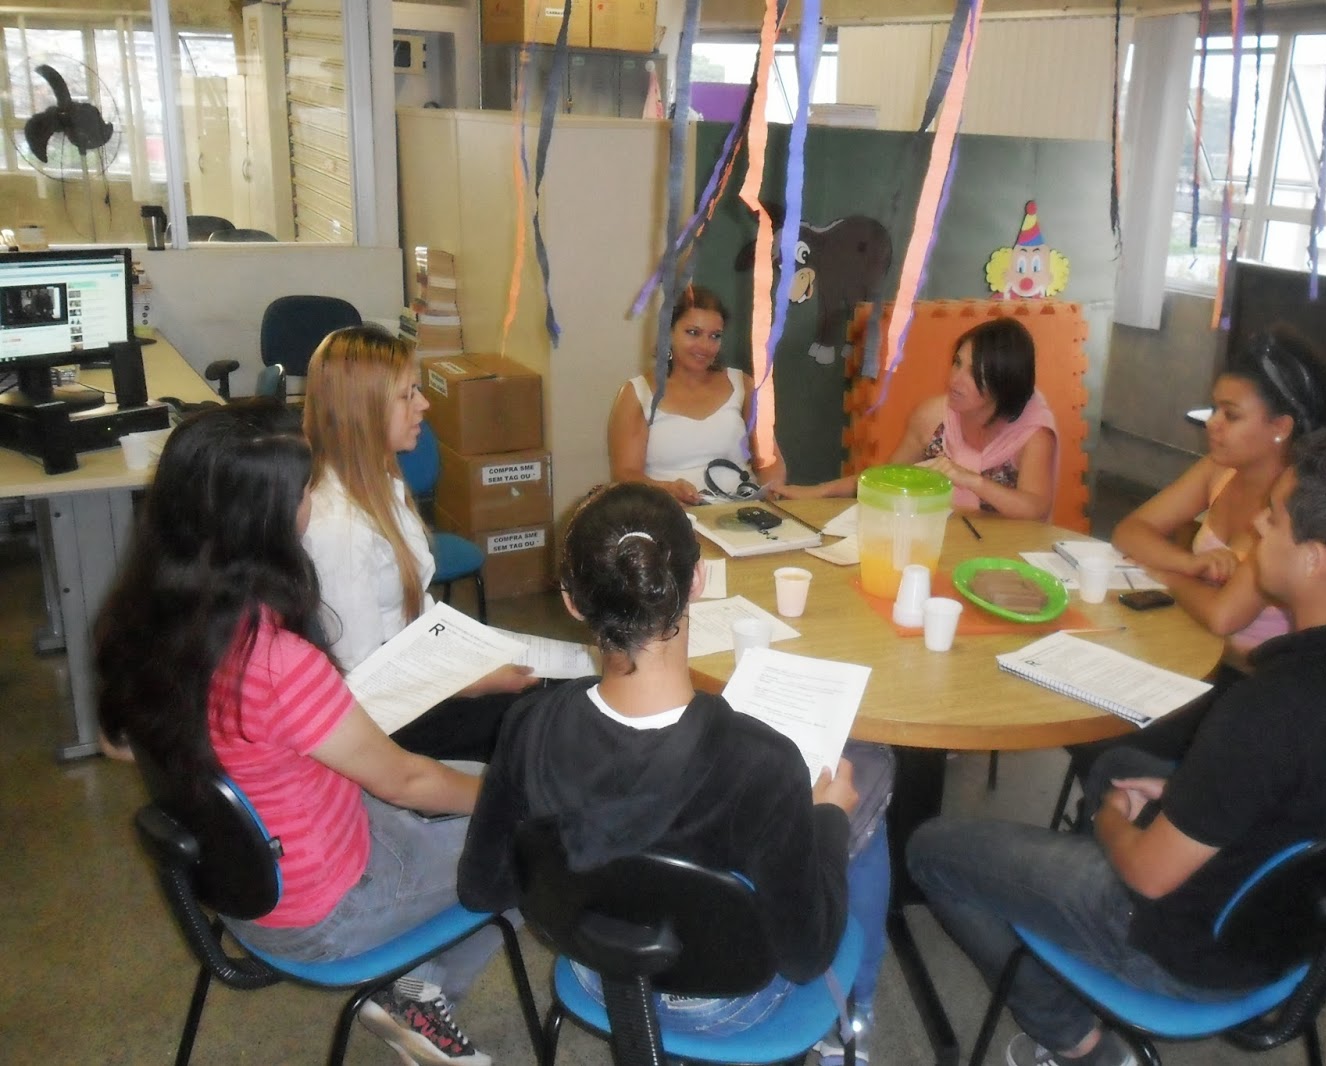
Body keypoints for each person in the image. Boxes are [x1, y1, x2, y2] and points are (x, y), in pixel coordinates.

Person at [908, 427, 1326, 1066]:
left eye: (1275, 518)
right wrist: (1186, 795)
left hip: (1188, 947)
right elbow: (1322, 796)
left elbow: (1148, 873)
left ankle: (1077, 1041)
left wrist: (1114, 824)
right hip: (1297, 925)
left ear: (1316, 560)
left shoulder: (1272, 708)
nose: (1257, 523)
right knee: (1120, 763)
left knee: (932, 847)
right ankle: (1071, 912)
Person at [95, 402, 510, 1066]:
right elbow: (405, 780)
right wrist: (515, 801)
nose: (313, 500)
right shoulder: (275, 660)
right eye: (305, 490)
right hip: (325, 911)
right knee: (535, 838)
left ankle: (411, 986)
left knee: (470, 788)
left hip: (245, 881)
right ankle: (418, 996)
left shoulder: (144, 617)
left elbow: (119, 744)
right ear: (264, 521)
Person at [458, 482, 893, 1060]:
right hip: (726, 1001)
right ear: (697, 580)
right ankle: (851, 1026)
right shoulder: (764, 763)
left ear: (572, 601)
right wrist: (829, 819)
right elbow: (805, 956)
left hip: (596, 971)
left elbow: (482, 888)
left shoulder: (527, 726)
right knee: (870, 784)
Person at [301, 325, 537, 761]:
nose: (423, 404)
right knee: (546, 720)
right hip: (392, 718)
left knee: (560, 691)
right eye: (407, 394)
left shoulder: (379, 484)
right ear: (364, 410)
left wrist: (475, 655)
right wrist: (474, 682)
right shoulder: (339, 527)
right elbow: (362, 682)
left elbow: (413, 615)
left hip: (417, 672)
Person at [1112, 329, 1326, 673]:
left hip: (1250, 673)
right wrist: (1187, 563)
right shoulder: (1220, 470)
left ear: (1280, 427)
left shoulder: (1293, 504)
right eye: (1215, 409)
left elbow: (1224, 616)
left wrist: (1164, 573)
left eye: (1231, 415)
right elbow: (1129, 531)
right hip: (1197, 644)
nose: (1212, 424)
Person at [775, 316, 1058, 520]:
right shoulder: (933, 417)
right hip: (942, 537)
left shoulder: (1034, 433)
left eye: (974, 373)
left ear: (1003, 384)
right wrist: (820, 491)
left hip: (1005, 554)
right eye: (957, 363)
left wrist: (971, 480)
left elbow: (1036, 509)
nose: (955, 380)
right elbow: (886, 479)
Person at [608, 285, 786, 505]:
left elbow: (770, 460)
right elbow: (626, 474)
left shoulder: (743, 385)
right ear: (669, 332)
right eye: (693, 333)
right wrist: (667, 489)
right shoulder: (637, 393)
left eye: (715, 336)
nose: (705, 346)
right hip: (670, 514)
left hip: (742, 512)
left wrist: (771, 493)